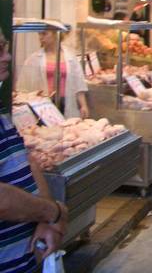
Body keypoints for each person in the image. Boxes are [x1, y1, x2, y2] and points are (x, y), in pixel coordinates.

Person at [0, 28, 69, 269]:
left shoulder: (2, 112)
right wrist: (52, 212)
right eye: (0, 50)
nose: (8, 57)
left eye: (6, 48)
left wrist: (47, 219)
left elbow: (26, 158)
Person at [18, 30, 89, 119]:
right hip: (44, 103)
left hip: (66, 101)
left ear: (56, 34)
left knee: (67, 128)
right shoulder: (34, 58)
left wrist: (83, 105)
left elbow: (78, 83)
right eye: (39, 34)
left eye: (44, 33)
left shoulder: (70, 57)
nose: (40, 37)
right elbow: (24, 85)